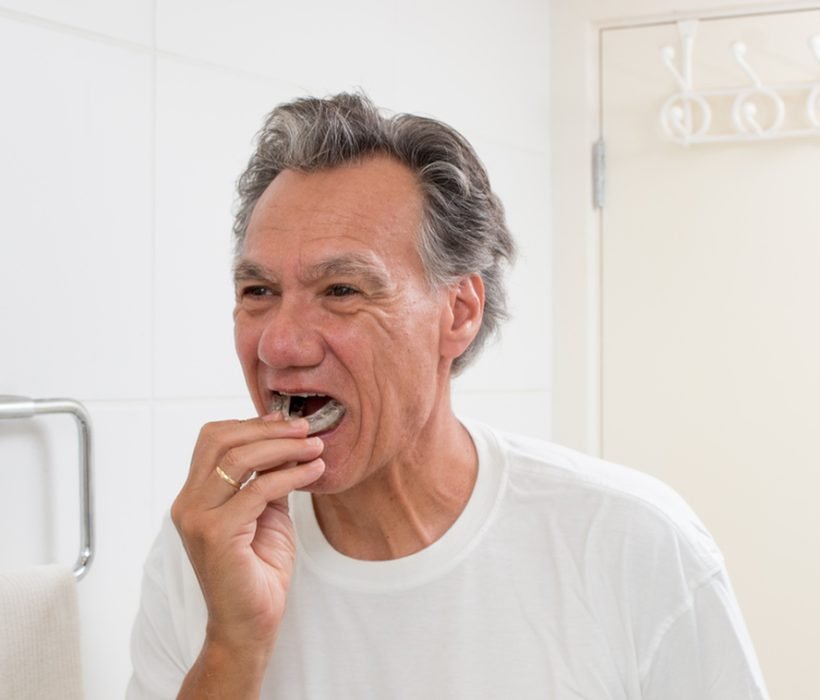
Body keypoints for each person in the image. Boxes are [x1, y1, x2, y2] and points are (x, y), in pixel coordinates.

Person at [128, 93, 769, 699]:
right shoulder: (209, 549)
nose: (281, 346)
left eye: (343, 291)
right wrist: (232, 645)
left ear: (458, 312)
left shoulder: (631, 541)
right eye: (258, 292)